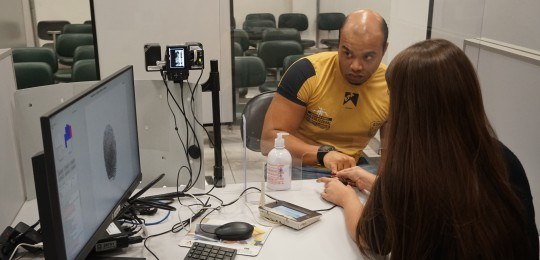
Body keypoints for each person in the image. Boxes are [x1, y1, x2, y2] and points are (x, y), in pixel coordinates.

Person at [318, 39, 539, 259]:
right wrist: (375, 184)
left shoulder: (408, 169)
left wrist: (347, 198)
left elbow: (372, 240)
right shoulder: (503, 157)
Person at [261, 9, 389, 176]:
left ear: (384, 50)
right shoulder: (307, 72)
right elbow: (268, 141)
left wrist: (380, 191)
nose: (356, 66)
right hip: (301, 166)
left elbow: (390, 151)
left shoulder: (391, 84)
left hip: (353, 169)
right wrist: (323, 154)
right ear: (339, 43)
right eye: (347, 53)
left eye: (368, 57)